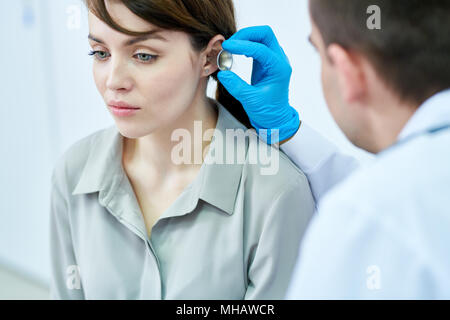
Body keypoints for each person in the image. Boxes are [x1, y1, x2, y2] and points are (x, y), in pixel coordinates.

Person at [48, 0, 315, 300]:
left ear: (210, 57)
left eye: (144, 56)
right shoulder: (73, 173)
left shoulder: (276, 195)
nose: (113, 81)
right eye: (100, 53)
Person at [218, 0, 450, 299]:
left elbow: (381, 209)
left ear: (347, 70)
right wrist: (287, 129)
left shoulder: (368, 217)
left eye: (317, 51)